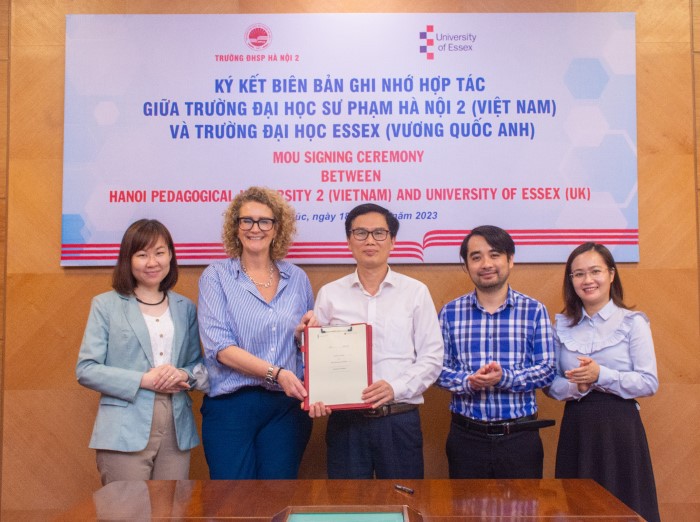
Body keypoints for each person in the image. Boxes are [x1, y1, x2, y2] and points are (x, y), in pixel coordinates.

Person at [309, 203, 444, 479]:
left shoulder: (415, 292)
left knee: (402, 505)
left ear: (393, 241)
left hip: (398, 419)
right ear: (349, 241)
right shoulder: (330, 294)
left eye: (379, 233)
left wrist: (395, 387)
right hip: (346, 424)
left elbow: (432, 357)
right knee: (347, 510)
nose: (370, 240)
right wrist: (318, 394)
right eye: (360, 233)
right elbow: (316, 357)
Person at [197, 186, 315, 479]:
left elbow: (307, 346)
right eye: (246, 220)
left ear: (277, 229)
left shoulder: (297, 278)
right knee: (232, 503)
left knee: (278, 498)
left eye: (265, 221)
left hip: (286, 409)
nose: (255, 228)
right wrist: (277, 373)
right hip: (231, 408)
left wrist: (305, 337)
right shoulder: (216, 276)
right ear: (235, 228)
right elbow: (220, 348)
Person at [76, 219, 202, 485]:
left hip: (176, 429)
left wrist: (181, 373)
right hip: (123, 429)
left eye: (159, 252)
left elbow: (199, 368)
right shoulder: (106, 305)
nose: (152, 262)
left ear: (170, 255)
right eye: (142, 254)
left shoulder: (185, 307)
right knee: (126, 511)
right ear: (128, 259)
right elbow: (86, 369)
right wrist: (144, 380)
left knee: (172, 513)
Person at [546, 243, 660, 522]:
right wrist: (577, 386)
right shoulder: (561, 326)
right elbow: (549, 384)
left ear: (611, 274)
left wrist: (601, 376)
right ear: (571, 281)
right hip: (578, 426)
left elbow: (648, 382)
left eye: (595, 271)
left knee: (625, 505)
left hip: (620, 428)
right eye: (578, 274)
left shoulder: (633, 322)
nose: (587, 280)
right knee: (577, 508)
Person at [436, 225, 556, 479]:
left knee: (523, 515)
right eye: (476, 257)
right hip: (466, 438)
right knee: (465, 516)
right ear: (466, 265)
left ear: (510, 260)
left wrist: (505, 378)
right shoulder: (449, 313)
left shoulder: (534, 310)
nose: (486, 264)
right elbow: (436, 369)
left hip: (520, 439)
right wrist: (468, 381)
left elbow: (547, 369)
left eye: (494, 255)